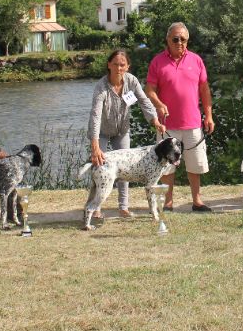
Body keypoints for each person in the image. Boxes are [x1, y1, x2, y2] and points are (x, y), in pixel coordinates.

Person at [87, 49, 165, 219]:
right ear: (109, 65)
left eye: (122, 65)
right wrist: (94, 144)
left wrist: (155, 121)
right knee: (98, 167)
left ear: (128, 66)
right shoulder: (101, 87)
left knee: (125, 169)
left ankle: (123, 207)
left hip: (122, 130)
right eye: (115, 64)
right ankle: (96, 207)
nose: (119, 68)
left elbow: (144, 101)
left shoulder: (132, 81)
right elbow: (95, 115)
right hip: (101, 132)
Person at [145, 22, 214, 212]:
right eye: (175, 39)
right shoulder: (157, 62)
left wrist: (209, 115)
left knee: (195, 164)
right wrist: (158, 104)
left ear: (187, 40)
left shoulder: (196, 60)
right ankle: (168, 203)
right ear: (168, 40)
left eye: (183, 39)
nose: (179, 43)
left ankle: (197, 201)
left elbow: (204, 89)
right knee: (167, 167)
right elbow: (149, 89)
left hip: (193, 123)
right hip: (167, 126)